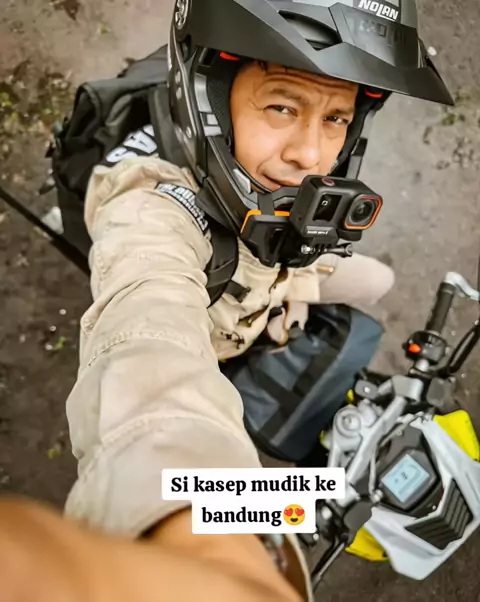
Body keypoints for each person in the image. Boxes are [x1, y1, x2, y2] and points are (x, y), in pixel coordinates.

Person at [0, 1, 453, 600]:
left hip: (271, 287)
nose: (311, 156)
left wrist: (298, 283)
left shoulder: (274, 176)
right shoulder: (149, 215)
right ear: (209, 100)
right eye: (282, 106)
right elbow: (150, 346)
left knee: (377, 283)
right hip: (211, 328)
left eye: (337, 118)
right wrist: (214, 546)